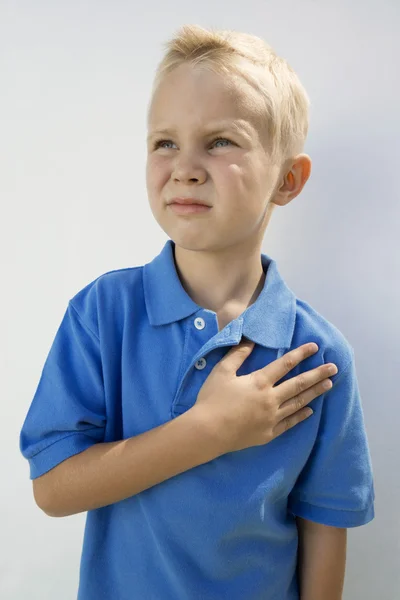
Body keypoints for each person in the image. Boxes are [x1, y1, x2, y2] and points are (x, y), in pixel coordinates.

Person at [19, 24, 375, 600]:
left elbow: (324, 529)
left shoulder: (320, 356)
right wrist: (208, 431)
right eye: (165, 142)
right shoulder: (101, 315)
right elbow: (53, 489)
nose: (184, 166)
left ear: (288, 179)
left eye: (219, 142)